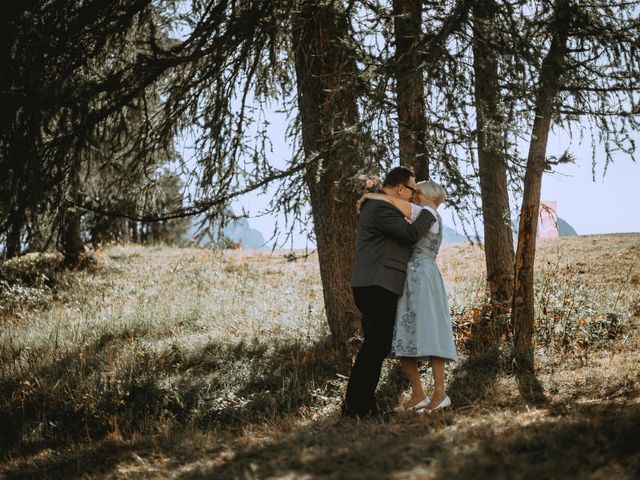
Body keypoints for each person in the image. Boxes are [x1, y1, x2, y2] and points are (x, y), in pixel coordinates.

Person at [343, 166, 436, 419]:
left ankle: (361, 406)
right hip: (376, 284)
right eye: (413, 189)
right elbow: (410, 234)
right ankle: (356, 409)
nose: (414, 195)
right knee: (375, 347)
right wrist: (429, 211)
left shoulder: (381, 206)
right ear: (399, 188)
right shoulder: (381, 208)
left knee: (376, 346)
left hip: (378, 283)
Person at [361, 180, 457, 414]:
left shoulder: (427, 211)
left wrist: (371, 196)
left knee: (430, 330)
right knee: (403, 334)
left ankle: (440, 394)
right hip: (410, 277)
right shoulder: (421, 213)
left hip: (422, 275)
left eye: (419, 192)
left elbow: (394, 201)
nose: (414, 196)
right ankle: (418, 394)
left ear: (431, 196)